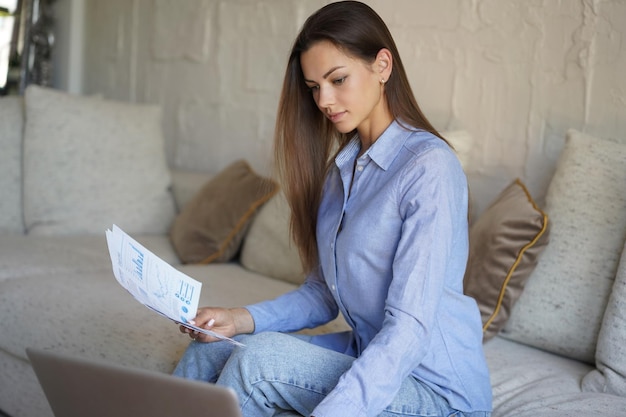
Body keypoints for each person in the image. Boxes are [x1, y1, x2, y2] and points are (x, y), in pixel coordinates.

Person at [173, 2, 493, 416]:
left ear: (382, 65)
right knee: (211, 350)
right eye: (313, 87)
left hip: (438, 390)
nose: (324, 99)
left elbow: (409, 328)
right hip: (368, 355)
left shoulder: (429, 168)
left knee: (260, 361)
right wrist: (236, 320)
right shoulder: (341, 171)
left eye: (337, 79)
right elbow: (323, 293)